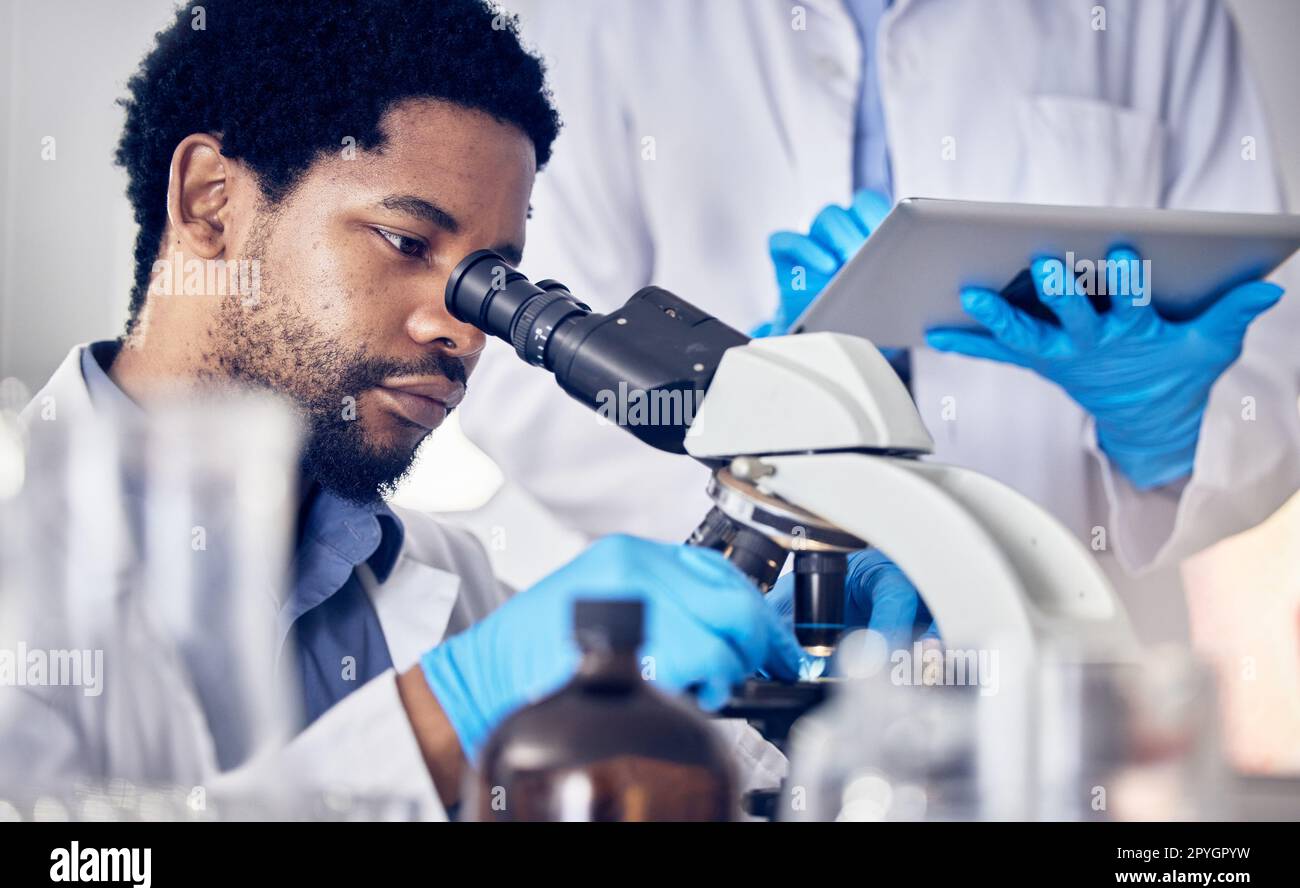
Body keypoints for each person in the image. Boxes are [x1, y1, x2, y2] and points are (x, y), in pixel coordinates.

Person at [4, 0, 933, 819]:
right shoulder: (22, 553)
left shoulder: (443, 587)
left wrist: (785, 642)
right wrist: (442, 711)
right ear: (210, 201)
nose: (464, 331)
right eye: (407, 240)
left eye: (490, 281)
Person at [463, 0, 1299, 639]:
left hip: (1058, 642)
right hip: (711, 633)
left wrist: (1174, 431)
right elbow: (518, 374)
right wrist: (760, 456)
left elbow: (1270, 341)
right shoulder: (591, 19)